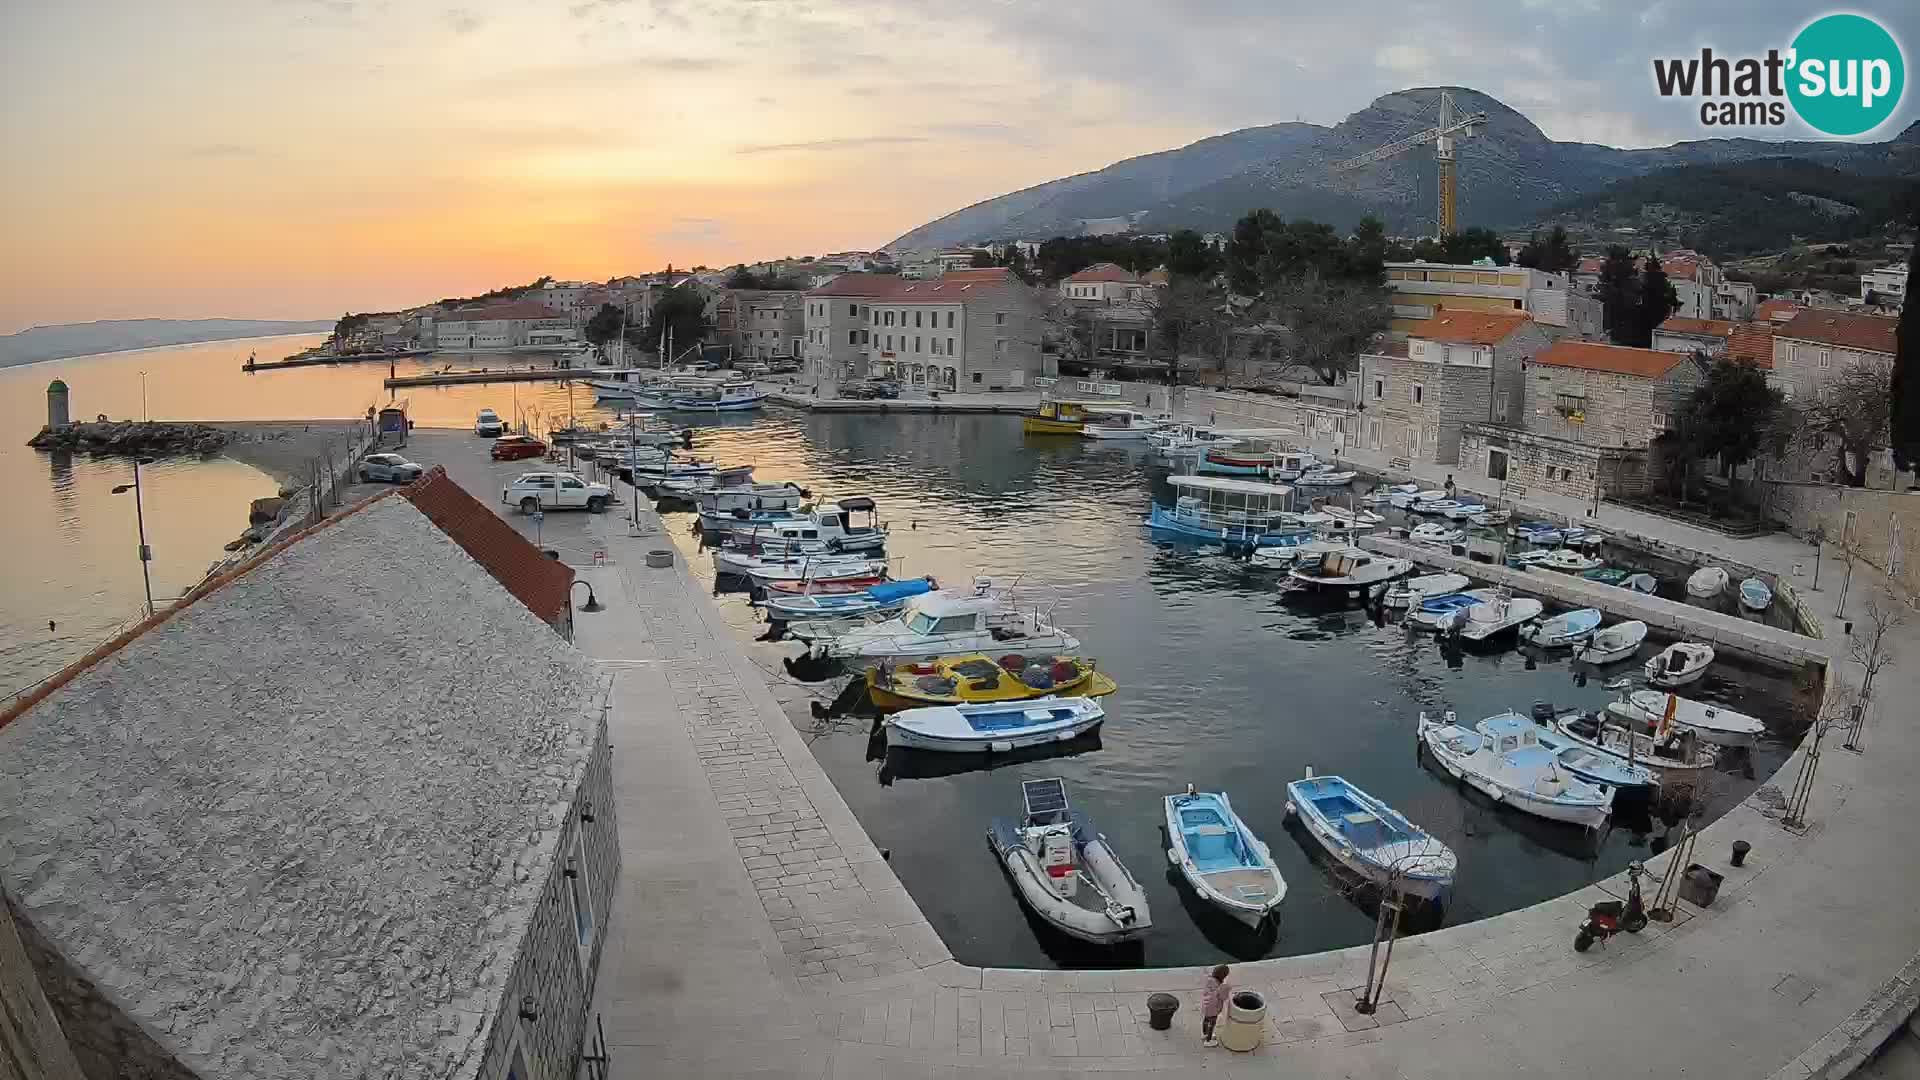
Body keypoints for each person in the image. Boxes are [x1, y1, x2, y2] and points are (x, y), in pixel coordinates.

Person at [1200, 964, 1231, 1047]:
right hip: (1214, 1009)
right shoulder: (1222, 986)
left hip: (1206, 1005)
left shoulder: (1209, 980)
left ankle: (1204, 1034)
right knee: (1212, 1024)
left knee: (1206, 1020)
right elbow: (1224, 997)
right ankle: (1208, 1040)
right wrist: (1227, 987)